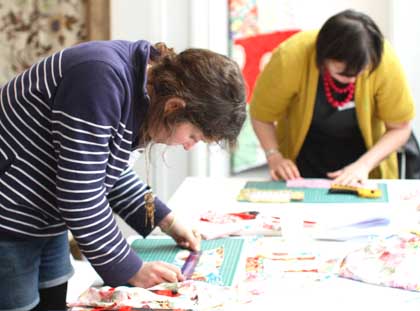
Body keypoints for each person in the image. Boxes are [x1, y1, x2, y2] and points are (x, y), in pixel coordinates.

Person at [0, 39, 246, 311]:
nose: (188, 146)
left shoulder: (141, 92)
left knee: (53, 303)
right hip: (9, 220)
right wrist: (131, 269)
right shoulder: (99, 79)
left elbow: (106, 172)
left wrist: (166, 220)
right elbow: (81, 195)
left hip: (45, 218)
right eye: (193, 136)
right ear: (174, 106)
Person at [250, 9, 415, 184]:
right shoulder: (290, 57)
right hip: (302, 164)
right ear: (322, 57)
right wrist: (274, 156)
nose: (353, 79)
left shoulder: (383, 60)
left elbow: (400, 127)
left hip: (364, 167)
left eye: (360, 72)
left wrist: (364, 165)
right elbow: (261, 115)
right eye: (343, 73)